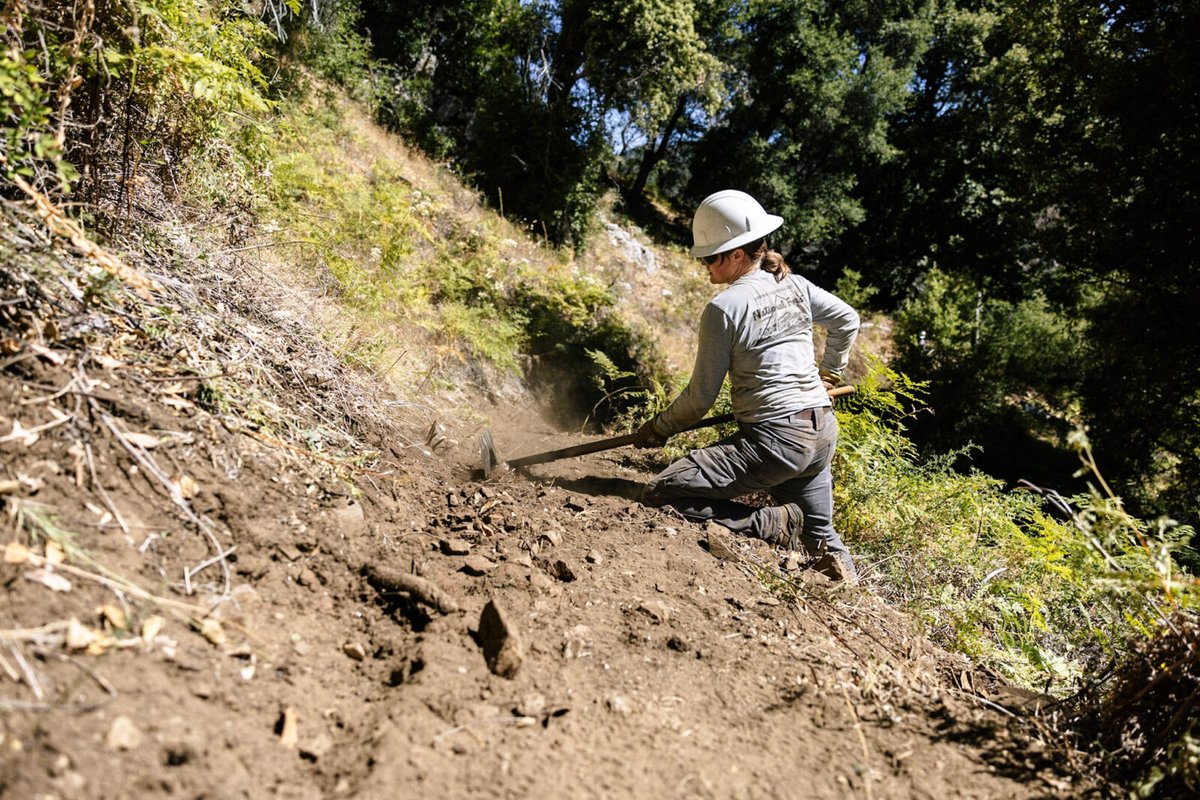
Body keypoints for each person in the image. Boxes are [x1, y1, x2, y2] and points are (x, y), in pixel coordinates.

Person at [634, 189, 861, 582]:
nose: (704, 265)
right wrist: (828, 375)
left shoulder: (724, 308)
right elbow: (847, 320)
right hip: (821, 430)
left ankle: (770, 524)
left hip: (777, 441)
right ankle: (854, 595)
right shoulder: (795, 285)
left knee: (662, 491)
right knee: (819, 536)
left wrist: (659, 427)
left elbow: (700, 399)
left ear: (737, 254)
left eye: (709, 257)